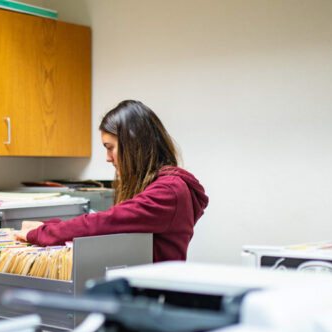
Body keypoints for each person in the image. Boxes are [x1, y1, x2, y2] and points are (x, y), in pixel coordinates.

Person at [15, 100, 208, 262]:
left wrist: (43, 233)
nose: (108, 157)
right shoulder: (162, 186)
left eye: (110, 147)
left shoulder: (168, 191)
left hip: (158, 298)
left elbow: (107, 222)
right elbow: (110, 221)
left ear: (133, 146)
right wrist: (48, 225)